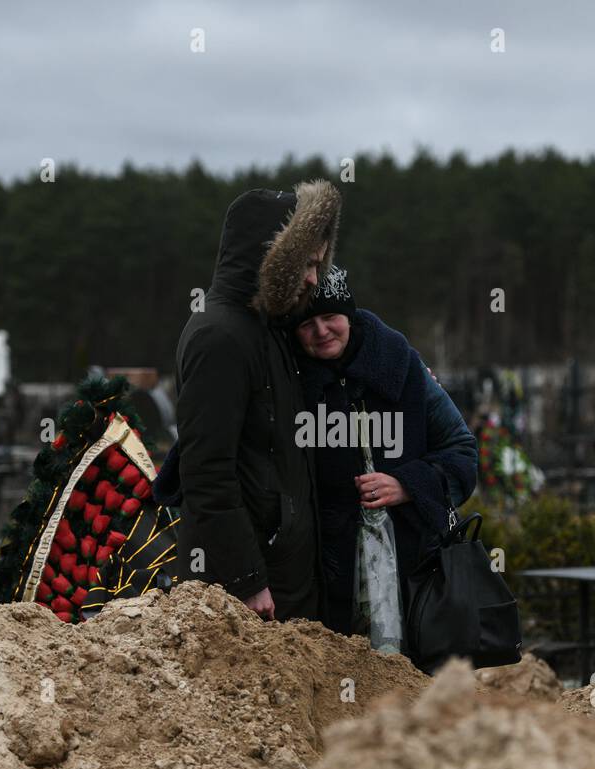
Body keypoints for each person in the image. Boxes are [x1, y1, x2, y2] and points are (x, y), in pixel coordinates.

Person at [154, 180, 343, 621]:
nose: (316, 277)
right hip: (245, 589)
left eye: (320, 264)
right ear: (271, 260)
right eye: (307, 264)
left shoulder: (267, 328)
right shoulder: (220, 337)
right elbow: (206, 471)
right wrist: (246, 580)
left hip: (280, 572)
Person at [290, 266, 478, 642]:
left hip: (412, 564)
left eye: (330, 317)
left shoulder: (400, 364)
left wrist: (408, 484)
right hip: (325, 569)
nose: (322, 331)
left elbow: (462, 450)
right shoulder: (290, 378)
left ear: (350, 316)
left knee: (409, 680)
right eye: (307, 323)